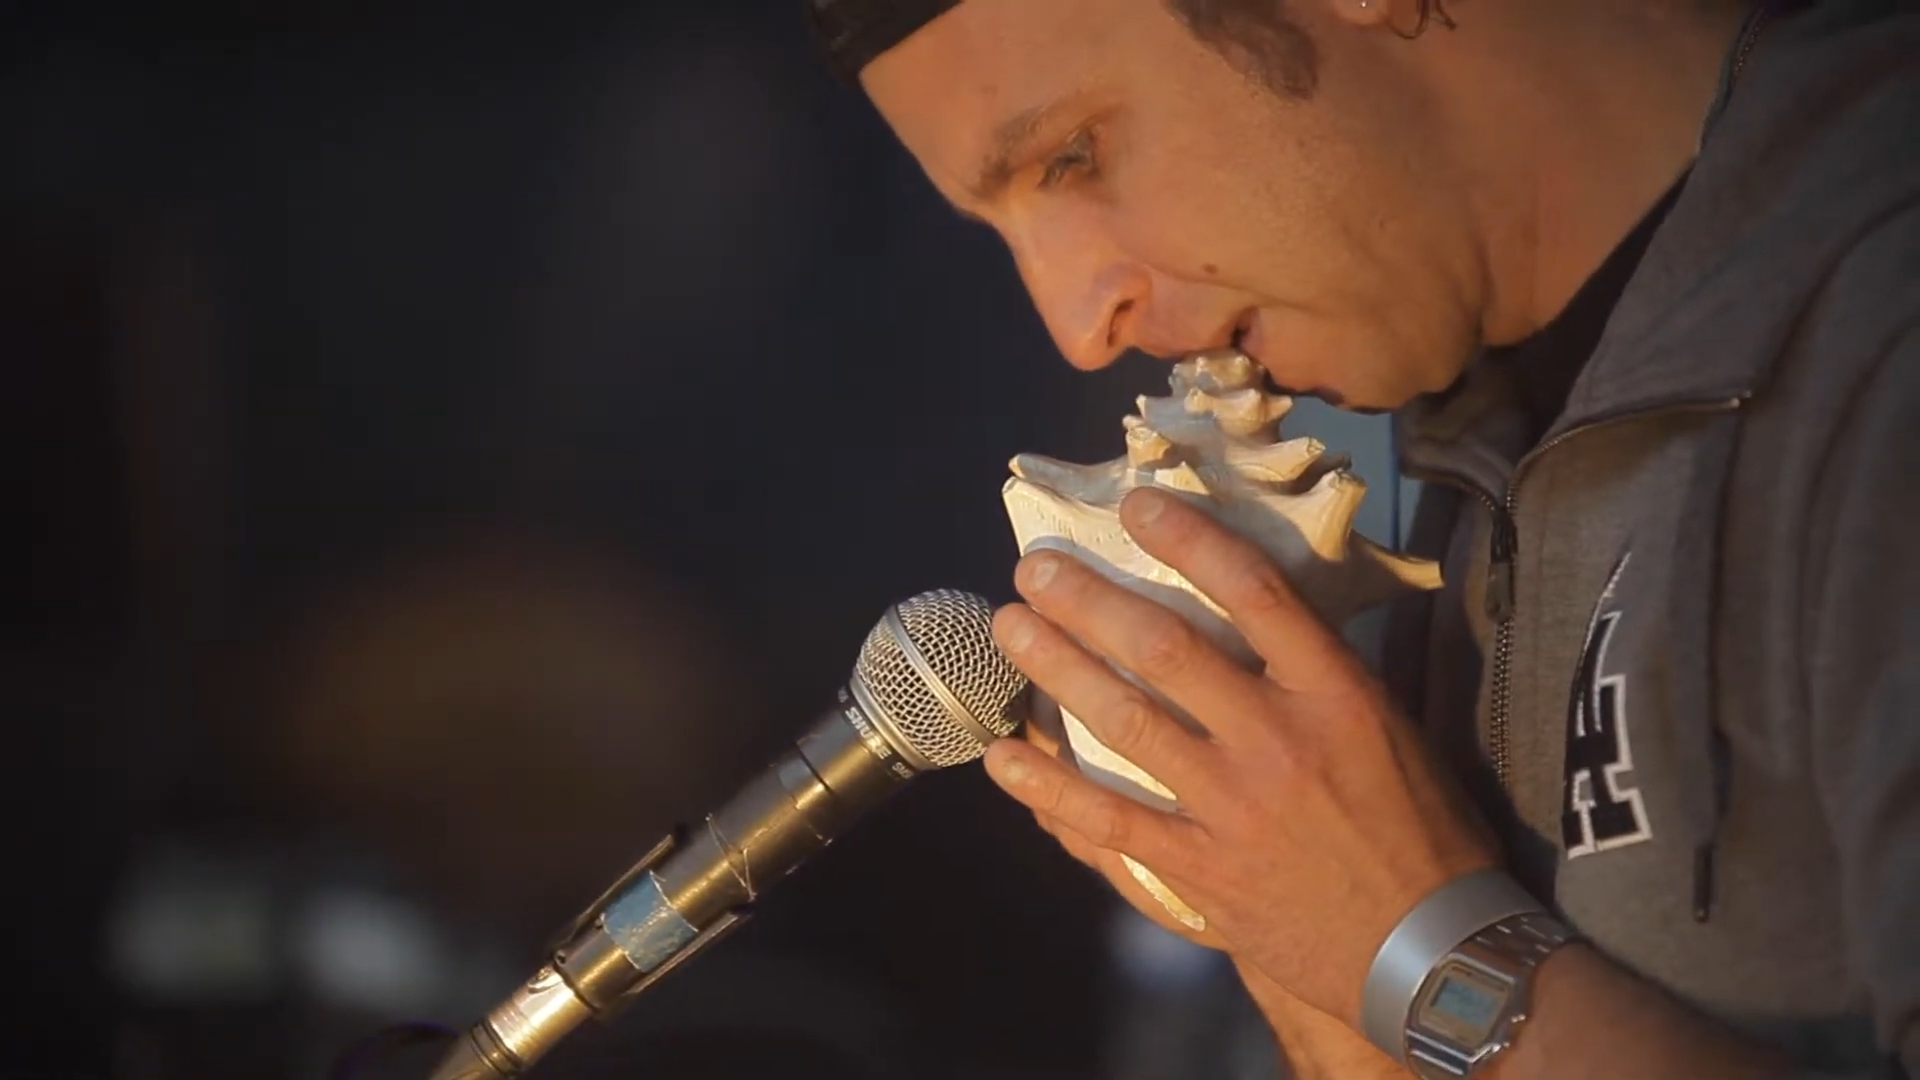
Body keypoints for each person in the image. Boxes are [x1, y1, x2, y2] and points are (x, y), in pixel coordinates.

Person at [805, 1, 1919, 1077]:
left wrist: (1420, 951)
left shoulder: (1880, 337)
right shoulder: (1435, 453)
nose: (1076, 326)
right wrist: (1297, 934)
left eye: (1073, 156)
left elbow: (1418, 959)